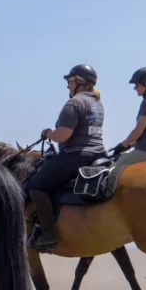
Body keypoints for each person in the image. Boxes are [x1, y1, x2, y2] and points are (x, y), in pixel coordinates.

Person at [27, 64, 106, 251]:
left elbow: (63, 135)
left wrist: (48, 133)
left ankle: (48, 235)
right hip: (98, 154)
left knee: (36, 186)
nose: (68, 85)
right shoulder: (97, 104)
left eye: (70, 81)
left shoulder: (74, 103)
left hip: (76, 155)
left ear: (79, 81)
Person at [112, 66, 146, 169]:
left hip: (145, 151)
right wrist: (129, 145)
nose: (135, 88)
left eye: (136, 85)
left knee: (110, 169)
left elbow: (138, 131)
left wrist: (122, 145)